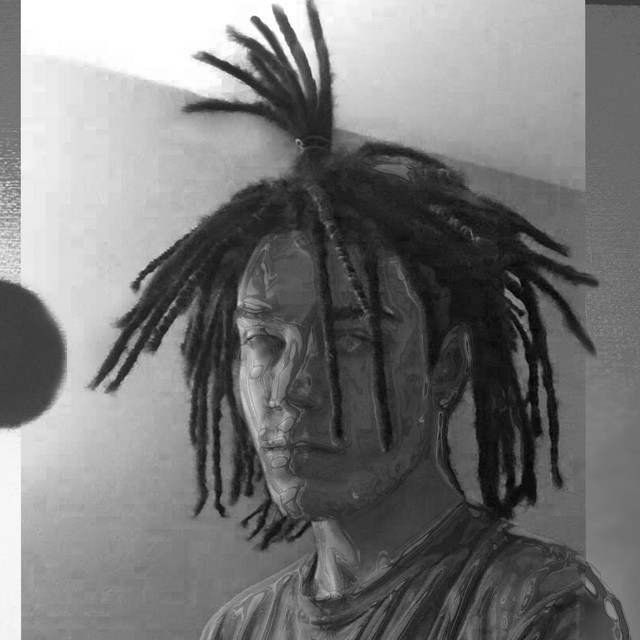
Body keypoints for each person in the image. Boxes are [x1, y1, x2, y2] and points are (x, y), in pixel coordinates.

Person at [92, 2, 630, 638]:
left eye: (352, 338)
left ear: (446, 366)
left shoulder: (541, 606)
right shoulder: (238, 628)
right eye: (262, 340)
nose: (291, 389)